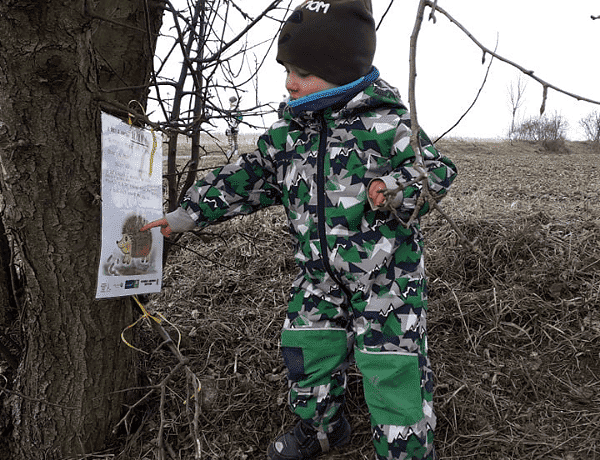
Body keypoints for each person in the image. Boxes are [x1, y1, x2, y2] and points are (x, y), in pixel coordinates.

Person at [141, 1, 457, 458]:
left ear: (344, 71)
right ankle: (322, 431)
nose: (290, 82)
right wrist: (185, 215)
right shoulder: (290, 135)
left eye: (304, 72)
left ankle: (404, 451)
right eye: (287, 69)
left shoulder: (389, 125)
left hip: (387, 280)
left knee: (392, 368)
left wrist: (394, 189)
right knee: (306, 351)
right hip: (317, 275)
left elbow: (437, 172)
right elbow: (245, 178)